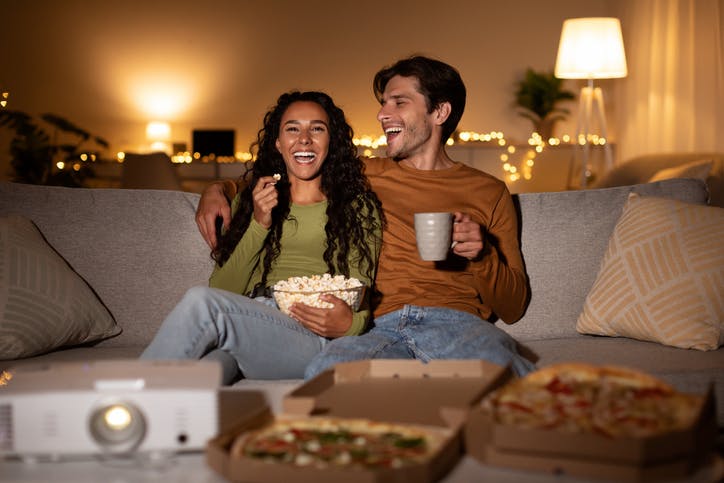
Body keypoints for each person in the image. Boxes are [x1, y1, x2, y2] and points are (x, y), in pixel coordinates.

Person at [195, 56, 535, 378]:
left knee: (506, 374)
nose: (382, 114)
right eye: (383, 103)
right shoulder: (362, 174)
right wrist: (218, 190)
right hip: (378, 326)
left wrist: (483, 254)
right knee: (326, 376)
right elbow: (288, 169)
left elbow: (513, 307)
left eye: (398, 102)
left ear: (440, 112)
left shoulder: (489, 191)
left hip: (456, 322)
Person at [141, 91, 383, 384]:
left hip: (308, 334)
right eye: (292, 128)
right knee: (206, 372)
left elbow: (360, 294)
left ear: (331, 142)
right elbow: (223, 287)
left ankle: (121, 399)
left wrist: (350, 326)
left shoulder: (357, 207)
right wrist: (259, 223)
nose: (304, 138)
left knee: (200, 301)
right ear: (278, 143)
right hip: (253, 325)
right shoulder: (250, 201)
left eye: (317, 128)